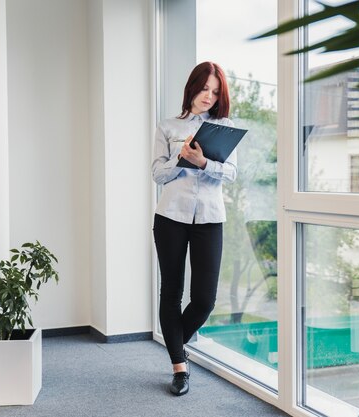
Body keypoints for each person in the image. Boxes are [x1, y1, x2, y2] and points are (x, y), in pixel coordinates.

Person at [151, 61, 237, 396]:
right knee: (171, 292)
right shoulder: (168, 126)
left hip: (210, 218)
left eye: (215, 92)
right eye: (204, 89)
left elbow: (231, 174)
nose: (209, 96)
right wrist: (181, 159)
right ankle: (179, 367)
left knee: (204, 299)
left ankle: (175, 343)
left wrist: (204, 163)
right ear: (192, 87)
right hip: (171, 215)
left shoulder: (225, 127)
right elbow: (157, 174)